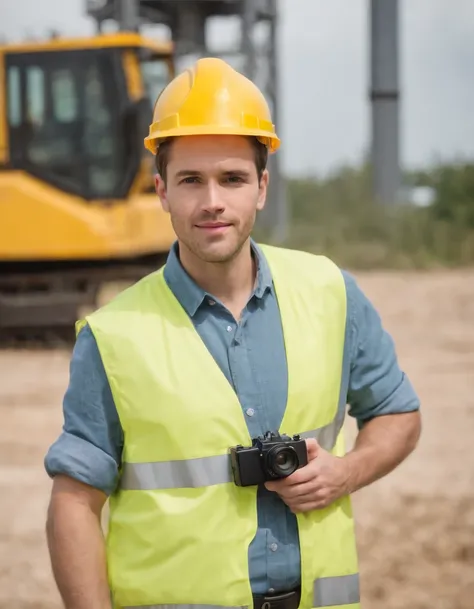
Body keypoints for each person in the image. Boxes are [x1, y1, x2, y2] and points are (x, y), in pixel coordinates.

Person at [44, 57, 421, 609]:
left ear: (261, 187)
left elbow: (398, 414)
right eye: (191, 180)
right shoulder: (113, 336)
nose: (213, 201)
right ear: (161, 191)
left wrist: (347, 472)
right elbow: (73, 504)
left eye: (233, 178)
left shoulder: (329, 291)